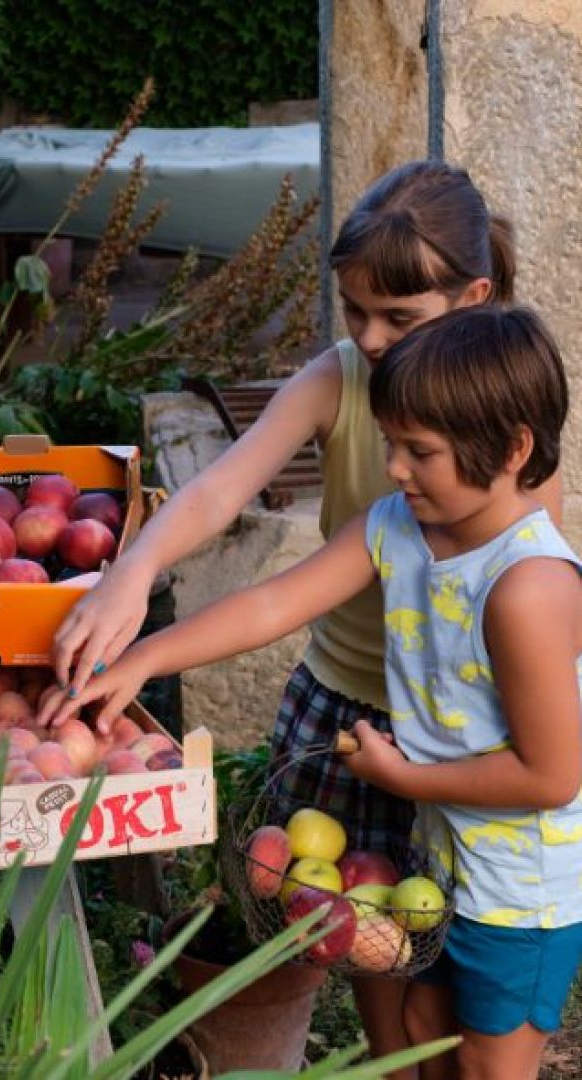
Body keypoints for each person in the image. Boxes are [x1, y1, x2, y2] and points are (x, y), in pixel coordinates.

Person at [50, 160, 562, 1076]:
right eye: (353, 311)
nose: (368, 339)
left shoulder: (495, 424)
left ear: (474, 296)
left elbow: (526, 640)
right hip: (354, 711)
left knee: (464, 1004)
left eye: (398, 319)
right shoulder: (348, 398)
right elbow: (231, 514)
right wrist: (136, 575)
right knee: (380, 979)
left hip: (462, 747)